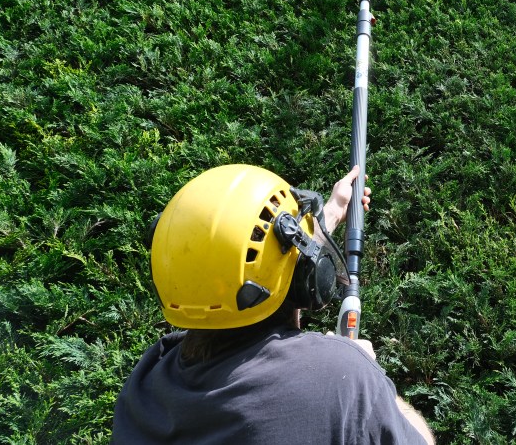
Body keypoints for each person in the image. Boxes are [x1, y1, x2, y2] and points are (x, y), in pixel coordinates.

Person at [112, 164, 434, 444]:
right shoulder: (340, 378)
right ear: (308, 276)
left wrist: (331, 216)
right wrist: (373, 380)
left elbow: (228, 264)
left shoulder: (144, 387)